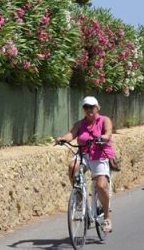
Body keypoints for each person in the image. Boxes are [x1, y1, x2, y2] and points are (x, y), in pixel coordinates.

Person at [55, 96, 115, 233]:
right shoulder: (80, 124)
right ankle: (79, 197)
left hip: (99, 155)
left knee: (101, 185)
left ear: (97, 108)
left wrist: (103, 137)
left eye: (91, 107)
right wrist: (63, 139)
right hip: (84, 154)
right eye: (86, 107)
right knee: (72, 167)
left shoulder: (104, 120)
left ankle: (107, 217)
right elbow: (71, 135)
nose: (89, 110)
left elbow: (108, 133)